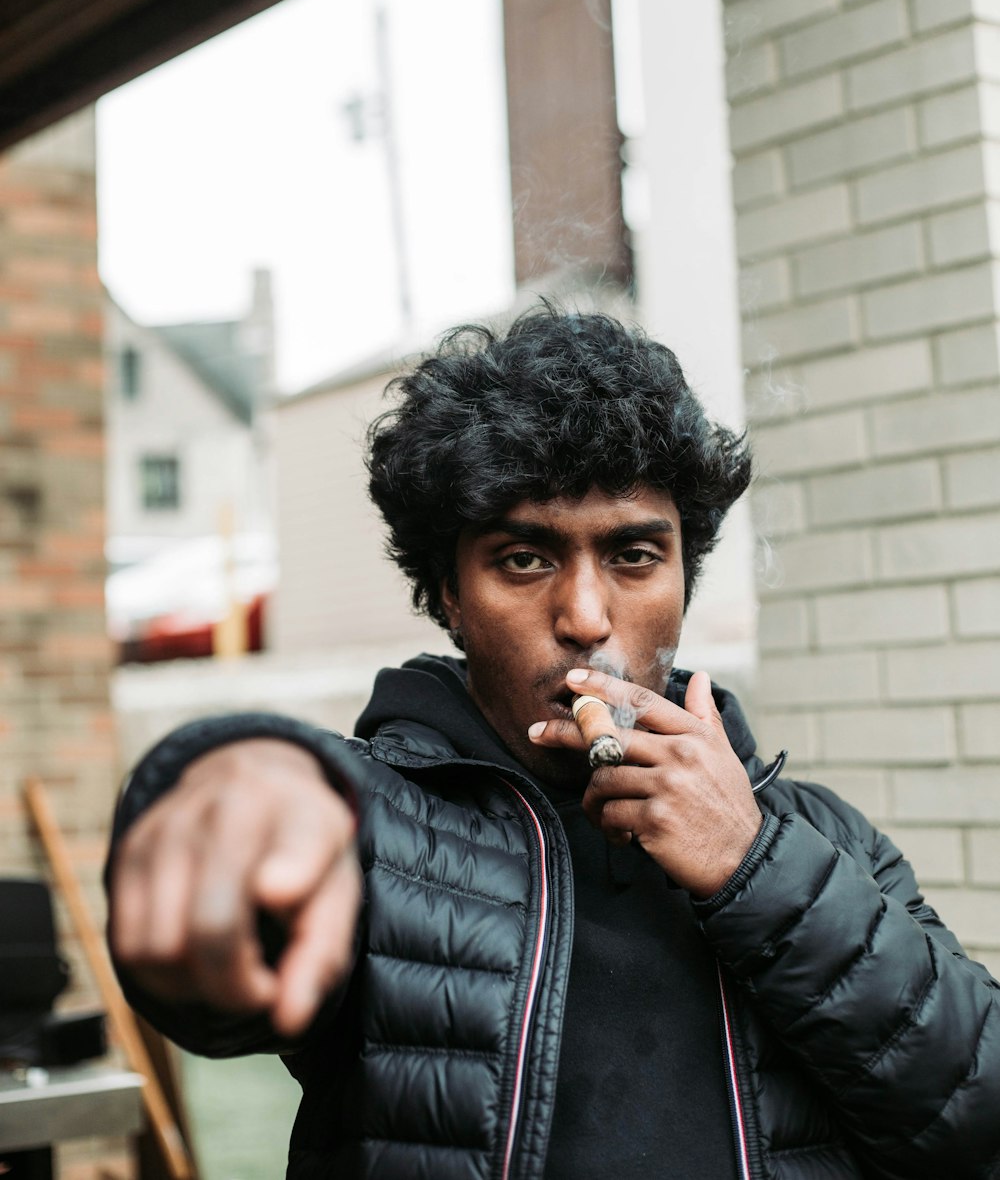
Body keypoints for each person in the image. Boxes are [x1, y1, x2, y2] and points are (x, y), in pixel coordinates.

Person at [107, 308, 1000, 1180]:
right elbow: (216, 978)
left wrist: (751, 861)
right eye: (524, 560)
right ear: (449, 596)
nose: (585, 617)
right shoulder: (377, 825)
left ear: (684, 575)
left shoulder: (822, 837)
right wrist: (224, 787)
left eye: (635, 556)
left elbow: (976, 1116)